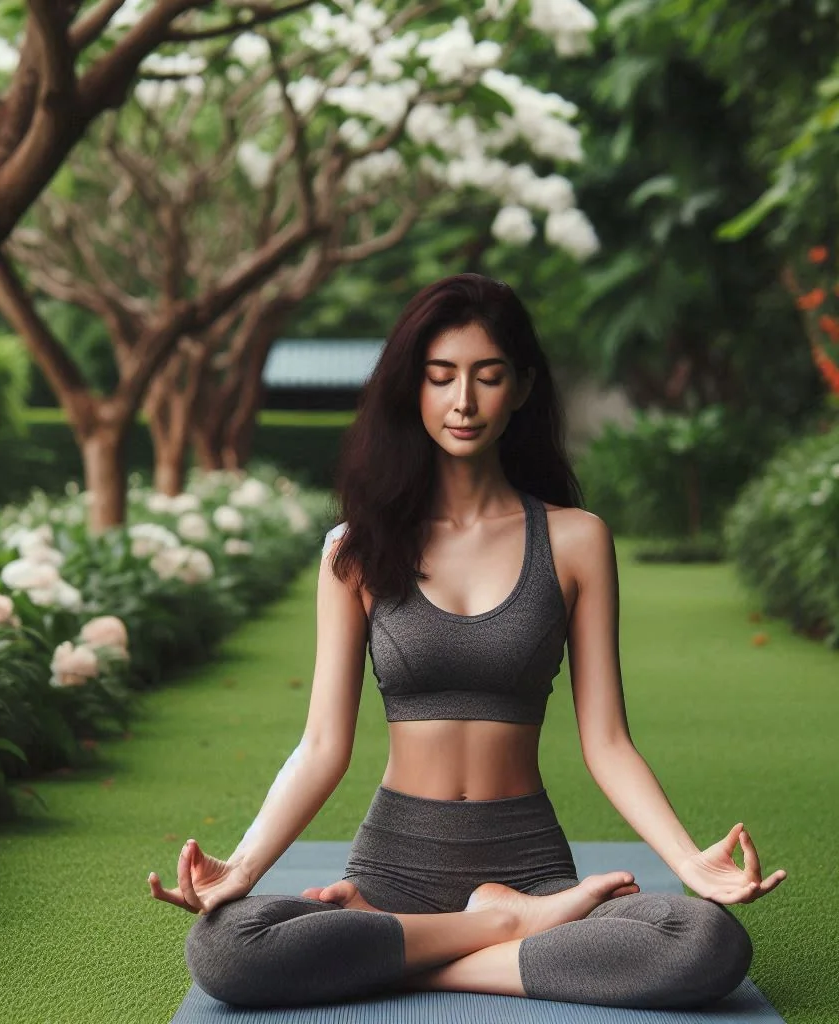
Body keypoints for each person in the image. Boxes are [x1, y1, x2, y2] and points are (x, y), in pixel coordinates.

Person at [149, 273, 786, 1010]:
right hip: (391, 866)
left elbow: (607, 741)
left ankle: (445, 940)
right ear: (410, 389)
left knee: (705, 944)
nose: (463, 401)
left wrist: (688, 862)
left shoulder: (576, 541)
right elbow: (323, 744)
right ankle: (499, 932)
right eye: (440, 377)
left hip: (529, 867)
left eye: (487, 376)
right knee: (225, 950)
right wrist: (245, 868)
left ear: (520, 387)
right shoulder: (354, 549)